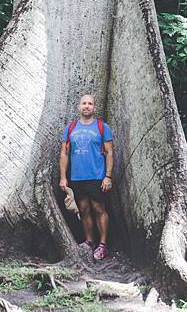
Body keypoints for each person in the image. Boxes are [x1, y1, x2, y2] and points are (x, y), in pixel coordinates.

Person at [59, 94, 114, 260]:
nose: (87, 106)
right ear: (79, 107)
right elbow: (64, 153)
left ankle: (103, 245)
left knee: (99, 209)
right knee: (83, 209)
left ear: (94, 108)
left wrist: (108, 176)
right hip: (76, 177)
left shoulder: (102, 127)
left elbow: (110, 152)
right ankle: (89, 242)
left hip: (96, 176)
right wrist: (63, 177)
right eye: (84, 103)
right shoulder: (70, 128)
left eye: (90, 103)